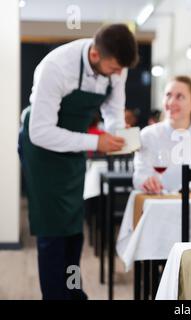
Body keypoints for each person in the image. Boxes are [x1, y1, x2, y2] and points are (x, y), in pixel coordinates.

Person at [21, 24, 138, 299]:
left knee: (74, 228)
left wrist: (118, 135)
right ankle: (54, 295)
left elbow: (112, 109)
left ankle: (73, 293)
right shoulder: (56, 67)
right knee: (52, 232)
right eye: (115, 68)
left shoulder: (116, 63)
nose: (120, 74)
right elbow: (40, 132)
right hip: (42, 151)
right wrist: (95, 142)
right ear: (95, 55)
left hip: (73, 149)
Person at [133, 75, 191, 193]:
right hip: (159, 205)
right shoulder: (148, 135)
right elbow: (139, 177)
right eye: (168, 95)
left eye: (179, 97)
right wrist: (146, 182)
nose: (171, 102)